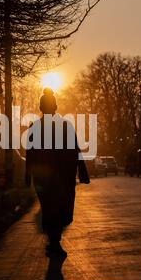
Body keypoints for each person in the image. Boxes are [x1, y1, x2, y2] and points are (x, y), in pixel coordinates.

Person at [25, 88, 90, 257]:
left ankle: (54, 241)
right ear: (55, 107)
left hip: (48, 177)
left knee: (50, 208)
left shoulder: (38, 127)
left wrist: (27, 175)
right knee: (59, 208)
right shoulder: (63, 126)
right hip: (60, 176)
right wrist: (82, 171)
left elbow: (30, 153)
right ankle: (54, 242)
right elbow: (75, 150)